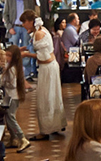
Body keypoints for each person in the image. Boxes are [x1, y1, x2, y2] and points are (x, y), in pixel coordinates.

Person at [20, 11, 67, 139]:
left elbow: (44, 57)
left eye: (24, 22)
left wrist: (26, 55)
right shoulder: (42, 30)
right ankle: (56, 125)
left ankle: (45, 131)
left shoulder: (39, 34)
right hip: (51, 67)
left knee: (45, 99)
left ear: (30, 22)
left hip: (47, 68)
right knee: (53, 97)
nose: (23, 25)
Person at [2, 0, 36, 77]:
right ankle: (12, 72)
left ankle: (26, 74)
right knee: (13, 50)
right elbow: (5, 15)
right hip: (14, 27)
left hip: (26, 28)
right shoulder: (9, 0)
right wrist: (9, 28)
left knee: (27, 49)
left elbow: (32, 14)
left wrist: (31, 27)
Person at [3, 45, 30, 152]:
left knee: (10, 117)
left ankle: (21, 138)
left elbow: (12, 84)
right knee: (8, 116)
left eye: (9, 56)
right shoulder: (14, 67)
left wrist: (3, 82)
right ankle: (13, 138)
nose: (6, 57)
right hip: (13, 96)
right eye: (6, 55)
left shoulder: (11, 69)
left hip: (12, 97)